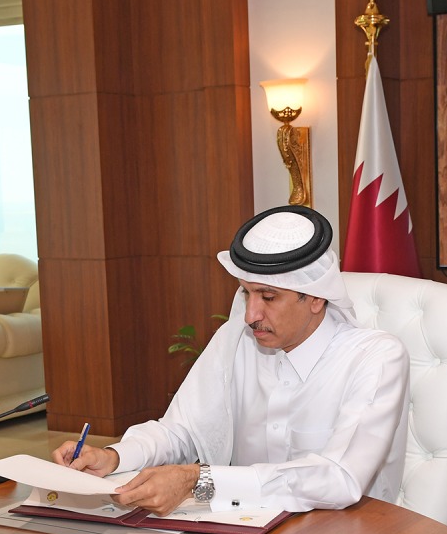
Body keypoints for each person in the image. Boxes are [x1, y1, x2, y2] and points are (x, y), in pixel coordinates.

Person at [51, 205, 410, 516]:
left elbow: (339, 478)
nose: (251, 314)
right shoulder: (236, 339)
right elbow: (183, 429)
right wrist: (115, 457)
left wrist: (199, 480)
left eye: (268, 296)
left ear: (315, 298)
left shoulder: (375, 358)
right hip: (244, 528)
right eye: (245, 293)